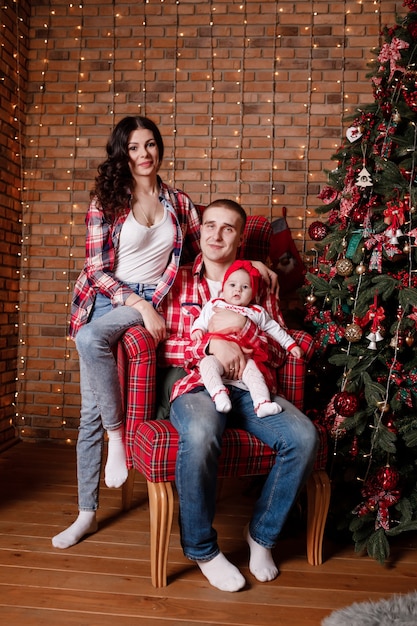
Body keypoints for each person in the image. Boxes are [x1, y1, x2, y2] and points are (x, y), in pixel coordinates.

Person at [52, 115, 201, 550]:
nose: (144, 155)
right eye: (134, 147)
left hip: (155, 300)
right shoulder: (107, 201)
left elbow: (201, 257)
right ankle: (85, 511)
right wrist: (137, 305)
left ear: (160, 148)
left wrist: (254, 267)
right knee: (88, 412)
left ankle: (115, 439)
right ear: (123, 152)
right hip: (110, 300)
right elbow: (97, 271)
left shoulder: (180, 203)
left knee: (88, 346)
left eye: (150, 145)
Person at [158, 198, 319, 592]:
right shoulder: (177, 279)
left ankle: (261, 535)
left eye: (227, 228)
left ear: (241, 237)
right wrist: (213, 346)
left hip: (251, 384)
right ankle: (201, 549)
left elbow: (280, 349)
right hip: (195, 380)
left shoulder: (258, 282)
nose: (216, 234)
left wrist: (243, 332)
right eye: (209, 225)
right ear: (200, 231)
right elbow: (161, 345)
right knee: (200, 432)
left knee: (303, 437)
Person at [190, 259, 304, 417]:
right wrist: (197, 330)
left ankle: (262, 403)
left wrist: (291, 345)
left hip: (245, 359)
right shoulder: (214, 304)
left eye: (245, 287)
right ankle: (218, 394)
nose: (238, 290)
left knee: (254, 372)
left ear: (253, 292)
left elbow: (275, 330)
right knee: (206, 364)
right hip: (216, 355)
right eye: (232, 285)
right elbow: (201, 321)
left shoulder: (256, 312)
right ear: (223, 288)